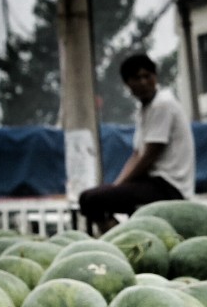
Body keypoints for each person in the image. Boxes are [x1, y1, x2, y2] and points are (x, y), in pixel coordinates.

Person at [76, 53, 195, 231]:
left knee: (92, 199)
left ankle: (115, 237)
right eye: (136, 78)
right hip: (151, 183)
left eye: (147, 76)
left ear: (155, 77)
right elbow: (137, 154)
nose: (143, 82)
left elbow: (148, 157)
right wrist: (116, 186)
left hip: (169, 187)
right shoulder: (145, 109)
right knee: (89, 198)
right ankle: (117, 233)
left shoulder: (162, 104)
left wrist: (116, 188)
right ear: (128, 84)